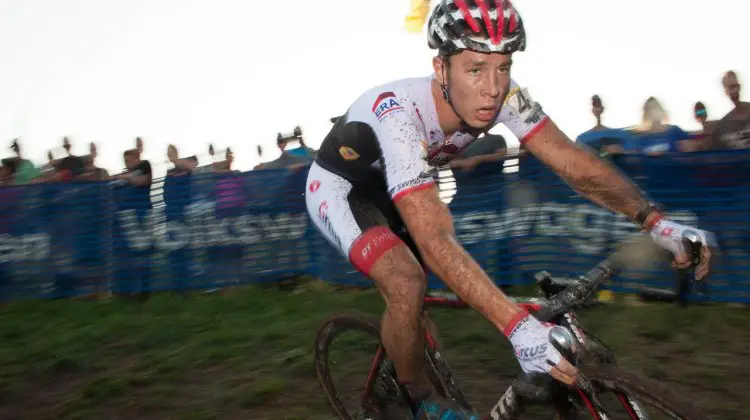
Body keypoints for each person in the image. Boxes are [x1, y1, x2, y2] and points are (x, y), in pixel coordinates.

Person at [304, 1, 714, 418]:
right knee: (406, 281)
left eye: (504, 67)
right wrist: (517, 328)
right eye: (475, 69)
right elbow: (432, 236)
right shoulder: (397, 113)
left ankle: (412, 347)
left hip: (403, 185)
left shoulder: (506, 97)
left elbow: (569, 159)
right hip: (344, 189)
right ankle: (416, 396)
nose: (493, 87)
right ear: (441, 69)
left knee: (419, 304)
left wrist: (654, 221)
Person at [709, 71, 750, 150]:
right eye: (730, 87)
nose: (734, 91)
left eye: (736, 86)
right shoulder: (721, 127)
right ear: (726, 92)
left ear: (739, 87)